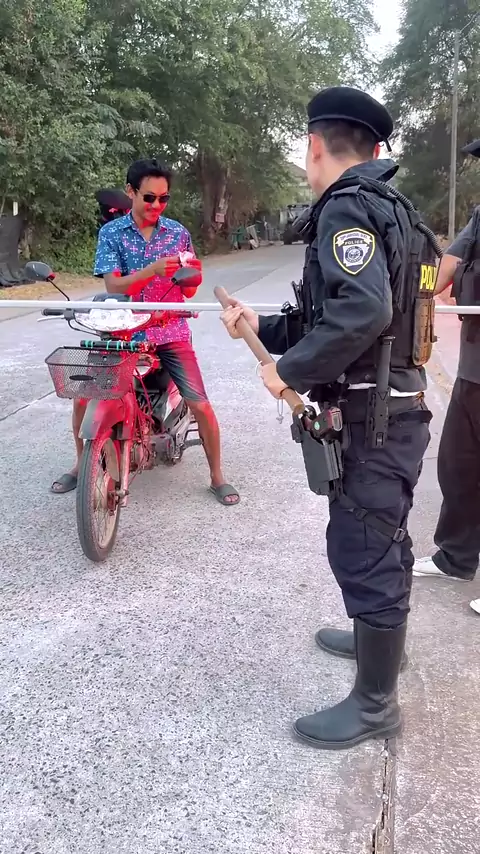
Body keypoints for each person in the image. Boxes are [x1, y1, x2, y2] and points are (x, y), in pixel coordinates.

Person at [221, 86, 435, 749]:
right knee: (383, 539)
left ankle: (375, 704)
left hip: (374, 418)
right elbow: (341, 317)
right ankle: (380, 648)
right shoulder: (394, 208)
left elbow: (363, 312)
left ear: (315, 146)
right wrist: (264, 327)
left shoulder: (346, 207)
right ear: (375, 149)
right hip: (394, 409)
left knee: (364, 547)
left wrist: (286, 371)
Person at [51, 158, 239, 506]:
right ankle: (81, 464)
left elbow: (189, 291)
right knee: (82, 399)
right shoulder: (111, 233)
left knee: (201, 405)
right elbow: (113, 285)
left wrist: (192, 277)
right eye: (149, 197)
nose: (156, 205)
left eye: (163, 199)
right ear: (131, 192)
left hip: (170, 331)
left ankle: (217, 477)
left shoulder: (178, 233)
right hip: (122, 334)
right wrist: (153, 270)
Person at [413, 139, 480, 613]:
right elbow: (446, 268)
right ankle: (455, 557)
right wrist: (408, 294)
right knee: (458, 465)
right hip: (474, 369)